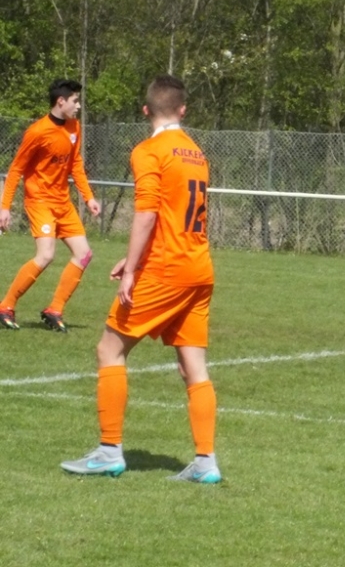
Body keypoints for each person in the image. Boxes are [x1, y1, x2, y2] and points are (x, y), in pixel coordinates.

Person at [61, 75, 222, 483]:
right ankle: (206, 462)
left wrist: (132, 269)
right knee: (193, 367)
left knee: (109, 349)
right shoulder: (197, 153)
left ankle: (108, 451)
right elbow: (172, 217)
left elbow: (147, 213)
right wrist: (133, 257)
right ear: (183, 110)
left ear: (145, 110)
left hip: (166, 269)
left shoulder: (149, 151)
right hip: (199, 268)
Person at [0, 78, 102, 332]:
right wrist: (5, 207)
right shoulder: (37, 132)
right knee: (46, 255)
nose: (78, 106)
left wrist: (88, 197)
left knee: (84, 254)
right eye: (75, 101)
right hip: (40, 201)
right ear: (61, 101)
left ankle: (54, 310)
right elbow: (16, 170)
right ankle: (5, 306)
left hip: (63, 202)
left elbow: (75, 164)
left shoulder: (74, 126)